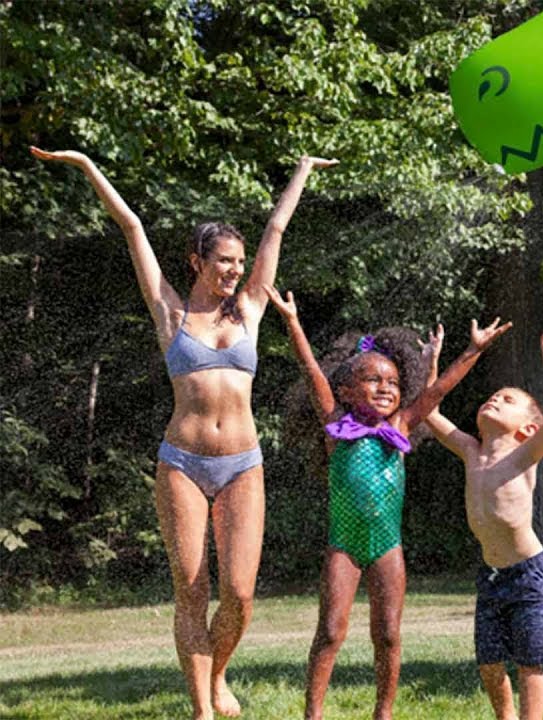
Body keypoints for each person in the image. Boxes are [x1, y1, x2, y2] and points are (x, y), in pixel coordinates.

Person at [30, 146, 334, 719]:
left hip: (243, 461)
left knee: (240, 597)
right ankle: (201, 710)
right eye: (223, 260)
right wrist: (87, 165)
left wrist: (300, 170)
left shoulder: (247, 310)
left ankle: (217, 675)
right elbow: (132, 225)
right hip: (183, 465)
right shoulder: (170, 314)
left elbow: (276, 227)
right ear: (196, 261)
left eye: (239, 262)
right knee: (192, 589)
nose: (235, 270)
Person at [267, 285, 511, 720]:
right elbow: (310, 369)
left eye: (394, 383)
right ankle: (313, 713)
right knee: (330, 631)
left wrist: (472, 351)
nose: (386, 388)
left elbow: (437, 393)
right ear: (344, 390)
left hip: (387, 547)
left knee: (390, 635)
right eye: (373, 380)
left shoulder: (399, 426)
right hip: (344, 545)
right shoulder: (335, 427)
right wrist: (291, 321)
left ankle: (384, 712)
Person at [425, 319, 543, 720]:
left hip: (530, 573)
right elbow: (429, 412)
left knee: (530, 662)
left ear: (528, 429)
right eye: (493, 396)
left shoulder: (523, 455)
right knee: (490, 663)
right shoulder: (471, 451)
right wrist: (433, 363)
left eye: (507, 399)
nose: (495, 399)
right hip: (493, 575)